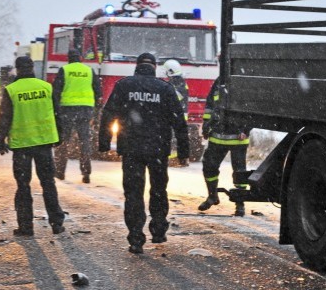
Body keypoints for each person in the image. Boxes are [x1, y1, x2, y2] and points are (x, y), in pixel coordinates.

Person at [98, 53, 189, 254]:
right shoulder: (165, 89)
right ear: (154, 68)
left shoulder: (123, 86)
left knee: (133, 194)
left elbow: (108, 114)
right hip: (158, 149)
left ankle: (136, 239)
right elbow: (179, 122)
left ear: (137, 66)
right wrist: (183, 151)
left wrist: (104, 142)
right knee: (158, 190)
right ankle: (158, 230)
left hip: (131, 149)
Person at [0, 55, 66, 237]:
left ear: (17, 70)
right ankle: (57, 223)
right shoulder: (46, 87)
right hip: (43, 143)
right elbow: (58, 113)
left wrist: (0, 139)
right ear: (32, 68)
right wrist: (59, 135)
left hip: (22, 145)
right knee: (48, 183)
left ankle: (26, 226)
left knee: (23, 186)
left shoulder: (12, 90)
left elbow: (4, 117)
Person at [198, 76, 251, 216]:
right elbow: (210, 106)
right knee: (209, 167)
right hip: (217, 136)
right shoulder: (218, 82)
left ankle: (240, 205)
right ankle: (212, 196)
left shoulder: (242, 81)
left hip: (238, 138)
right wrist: (205, 127)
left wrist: (246, 130)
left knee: (239, 172)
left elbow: (251, 108)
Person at [52, 49, 101, 183]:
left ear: (69, 58)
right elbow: (98, 90)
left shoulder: (65, 70)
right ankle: (86, 173)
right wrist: (96, 109)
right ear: (80, 58)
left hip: (67, 110)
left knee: (63, 141)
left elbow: (56, 91)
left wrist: (56, 110)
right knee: (84, 141)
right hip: (85, 110)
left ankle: (60, 171)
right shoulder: (89, 70)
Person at [162, 59, 190, 165]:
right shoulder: (179, 81)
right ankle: (177, 158)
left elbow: (172, 98)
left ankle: (174, 159)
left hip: (176, 115)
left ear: (170, 71)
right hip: (179, 115)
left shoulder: (177, 83)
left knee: (174, 138)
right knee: (177, 137)